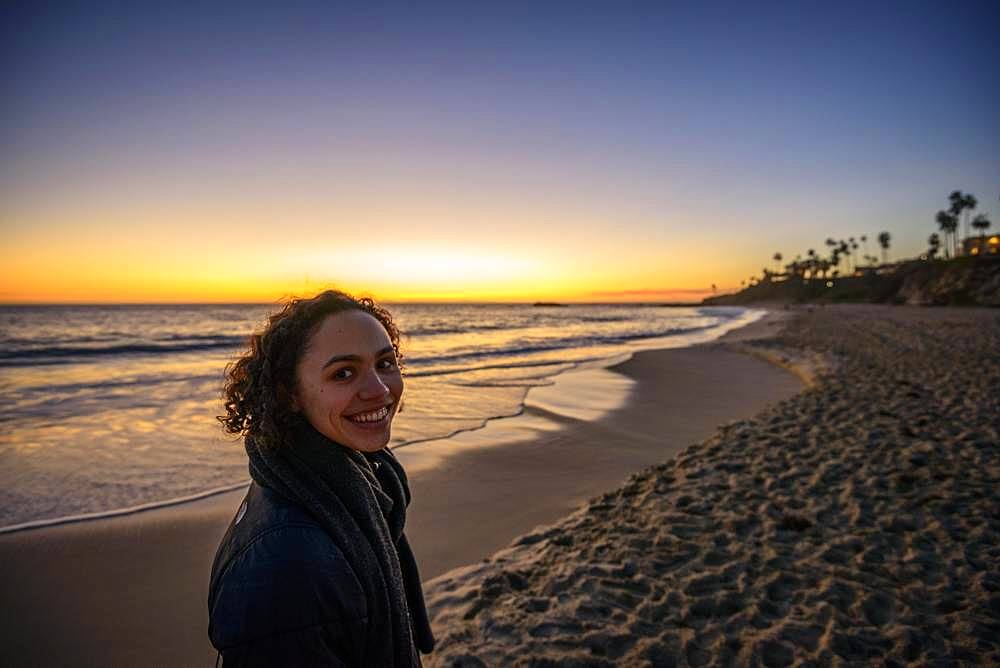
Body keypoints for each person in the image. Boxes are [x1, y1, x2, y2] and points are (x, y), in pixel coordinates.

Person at [207, 289, 435, 666]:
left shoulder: (328, 475)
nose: (379, 391)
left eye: (385, 363)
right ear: (290, 394)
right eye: (343, 373)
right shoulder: (288, 565)